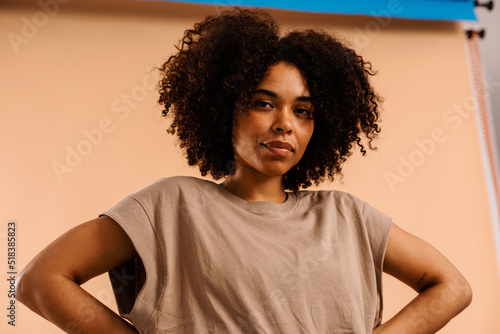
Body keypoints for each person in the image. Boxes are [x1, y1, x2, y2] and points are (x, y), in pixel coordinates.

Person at [15, 8, 472, 334]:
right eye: (263, 102)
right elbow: (40, 281)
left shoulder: (347, 217)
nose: (284, 124)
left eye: (304, 111)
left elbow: (451, 286)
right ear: (223, 108)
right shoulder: (171, 206)